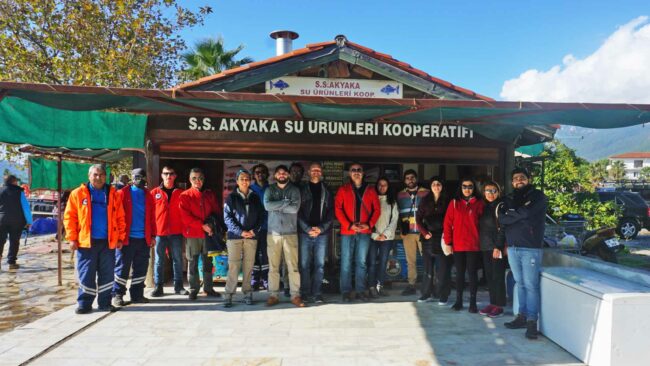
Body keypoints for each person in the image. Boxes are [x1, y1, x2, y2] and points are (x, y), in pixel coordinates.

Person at [64, 165, 126, 314]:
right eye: (95, 175)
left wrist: (120, 238)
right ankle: (84, 304)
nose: (98, 178)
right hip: (86, 242)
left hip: (108, 242)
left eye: (101, 175)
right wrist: (72, 238)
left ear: (106, 176)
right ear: (89, 175)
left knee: (107, 274)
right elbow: (69, 218)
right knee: (86, 274)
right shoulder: (77, 194)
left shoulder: (113, 194)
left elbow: (120, 217)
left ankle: (105, 303)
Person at [500, 168, 548, 340]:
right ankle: (521, 316)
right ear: (512, 182)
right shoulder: (510, 198)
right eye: (515, 178)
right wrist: (517, 215)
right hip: (513, 247)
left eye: (522, 177)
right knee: (519, 283)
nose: (518, 180)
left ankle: (531, 323)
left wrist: (514, 214)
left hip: (530, 248)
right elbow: (502, 219)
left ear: (528, 179)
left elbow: (527, 213)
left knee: (530, 285)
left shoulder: (537, 196)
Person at [335, 163, 380, 302]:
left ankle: (360, 290)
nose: (356, 172)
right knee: (346, 262)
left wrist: (369, 224)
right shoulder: (343, 189)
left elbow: (377, 210)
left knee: (361, 262)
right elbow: (338, 209)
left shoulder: (370, 190)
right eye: (353, 170)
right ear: (349, 173)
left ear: (363, 173)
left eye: (359, 170)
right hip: (348, 232)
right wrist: (349, 225)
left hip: (365, 232)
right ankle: (346, 291)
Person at [112, 168, 156, 307]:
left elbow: (152, 218)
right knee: (122, 268)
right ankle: (117, 295)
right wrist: (118, 236)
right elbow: (116, 216)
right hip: (126, 239)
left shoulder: (148, 195)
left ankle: (137, 295)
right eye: (137, 177)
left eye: (142, 177)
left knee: (141, 268)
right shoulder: (122, 193)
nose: (140, 180)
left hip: (144, 239)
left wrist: (153, 235)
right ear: (132, 178)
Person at [263, 165, 304, 307]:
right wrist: (285, 203)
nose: (281, 175)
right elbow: (267, 206)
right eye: (279, 173)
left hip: (290, 233)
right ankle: (273, 295)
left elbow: (295, 208)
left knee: (293, 266)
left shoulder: (294, 190)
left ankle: (295, 295)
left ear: (288, 175)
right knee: (273, 267)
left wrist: (277, 205)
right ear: (275, 175)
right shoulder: (270, 189)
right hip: (273, 234)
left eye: (284, 173)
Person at [222, 169, 264, 307]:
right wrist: (240, 232)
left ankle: (247, 293)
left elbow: (262, 216)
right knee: (234, 266)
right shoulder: (231, 197)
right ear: (237, 181)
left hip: (251, 237)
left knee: (248, 266)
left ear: (250, 180)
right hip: (235, 237)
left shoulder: (255, 197)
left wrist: (254, 231)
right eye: (242, 179)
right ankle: (228, 295)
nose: (245, 181)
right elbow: (227, 218)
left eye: (247, 179)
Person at [179, 168, 221, 300]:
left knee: (208, 262)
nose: (198, 181)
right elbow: (185, 217)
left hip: (208, 234)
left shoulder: (209, 195)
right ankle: (193, 289)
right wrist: (201, 225)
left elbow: (216, 211)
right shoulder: (184, 195)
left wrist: (213, 226)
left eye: (200, 178)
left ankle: (208, 288)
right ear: (190, 180)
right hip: (193, 234)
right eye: (194, 178)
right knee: (192, 262)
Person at [443, 178, 484, 313]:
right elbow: (447, 224)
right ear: (460, 188)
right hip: (458, 244)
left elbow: (483, 225)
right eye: (464, 186)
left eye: (470, 186)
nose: (467, 189)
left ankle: (473, 303)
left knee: (472, 274)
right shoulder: (454, 203)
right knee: (460, 274)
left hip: (473, 244)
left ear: (474, 188)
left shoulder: (479, 203)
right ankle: (458, 301)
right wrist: (448, 242)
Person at [298, 162, 333, 304]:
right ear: (309, 172)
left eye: (318, 170)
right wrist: (307, 229)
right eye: (313, 170)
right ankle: (305, 293)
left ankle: (317, 293)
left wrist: (321, 228)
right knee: (304, 265)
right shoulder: (301, 189)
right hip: (304, 233)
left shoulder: (327, 190)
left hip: (322, 234)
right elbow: (297, 212)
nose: (316, 172)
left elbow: (331, 212)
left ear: (321, 172)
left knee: (319, 264)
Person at [150, 166, 188, 297]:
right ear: (161, 175)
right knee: (159, 260)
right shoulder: (154, 193)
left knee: (177, 259)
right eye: (166, 173)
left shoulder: (181, 193)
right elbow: (149, 214)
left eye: (171, 174)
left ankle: (179, 286)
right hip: (160, 232)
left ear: (175, 176)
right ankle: (158, 287)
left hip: (176, 232)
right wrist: (151, 233)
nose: (168, 176)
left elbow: (185, 213)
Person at [416, 176, 451, 303]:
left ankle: (442, 294)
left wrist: (447, 236)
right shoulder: (425, 200)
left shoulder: (448, 200)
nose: (436, 186)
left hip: (442, 237)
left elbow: (451, 220)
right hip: (427, 238)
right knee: (427, 268)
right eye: (434, 184)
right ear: (430, 187)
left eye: (439, 184)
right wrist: (424, 233)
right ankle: (426, 293)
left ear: (442, 186)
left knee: (442, 268)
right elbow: (418, 218)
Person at [396, 169, 429, 296]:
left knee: (427, 259)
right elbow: (397, 213)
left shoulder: (426, 193)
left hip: (422, 232)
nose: (410, 180)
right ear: (404, 180)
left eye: (412, 177)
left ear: (416, 179)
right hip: (408, 233)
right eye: (408, 178)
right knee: (410, 260)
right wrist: (400, 230)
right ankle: (411, 285)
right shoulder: (400, 195)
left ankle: (430, 284)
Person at [478, 181, 507, 318]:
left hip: (496, 247)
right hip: (485, 247)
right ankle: (492, 302)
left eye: (494, 191)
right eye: (488, 191)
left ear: (499, 192)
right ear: (484, 192)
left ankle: (499, 306)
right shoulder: (485, 207)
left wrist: (498, 246)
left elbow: (503, 228)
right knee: (489, 277)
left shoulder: (500, 206)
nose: (491, 193)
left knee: (498, 277)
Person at [368, 176, 398, 298]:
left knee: (383, 263)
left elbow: (394, 220)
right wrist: (375, 235)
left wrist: (385, 234)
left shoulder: (392, 202)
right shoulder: (371, 200)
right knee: (371, 263)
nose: (382, 187)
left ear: (388, 186)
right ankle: (371, 287)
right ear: (376, 186)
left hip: (387, 238)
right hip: (373, 237)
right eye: (380, 184)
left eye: (385, 185)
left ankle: (380, 287)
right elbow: (367, 219)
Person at [0, 175, 32, 270]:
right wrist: (29, 221)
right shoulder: (19, 192)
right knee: (14, 241)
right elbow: (26, 207)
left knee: (0, 241)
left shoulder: (0, 190)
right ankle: (11, 262)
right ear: (13, 182)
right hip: (17, 221)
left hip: (2, 219)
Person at [250, 163, 270, 290]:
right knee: (254, 254)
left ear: (267, 174)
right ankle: (255, 279)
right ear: (253, 175)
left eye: (262, 171)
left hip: (269, 226)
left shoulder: (272, 188)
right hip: (253, 227)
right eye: (257, 172)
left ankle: (267, 279)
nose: (260, 174)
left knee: (267, 254)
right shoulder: (250, 189)